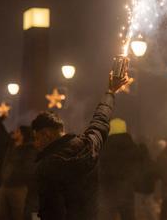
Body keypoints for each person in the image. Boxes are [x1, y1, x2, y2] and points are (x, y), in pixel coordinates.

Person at [32, 71, 129, 220]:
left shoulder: (46, 166)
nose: (35, 143)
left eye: (37, 138)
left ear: (47, 134)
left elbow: (50, 210)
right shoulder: (88, 145)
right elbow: (100, 121)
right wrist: (110, 92)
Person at [99, 118, 141, 220]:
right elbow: (138, 167)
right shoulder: (132, 146)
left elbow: (100, 168)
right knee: (128, 215)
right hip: (127, 189)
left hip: (108, 189)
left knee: (107, 215)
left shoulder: (105, 146)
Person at [0, 126, 37, 220]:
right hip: (5, 185)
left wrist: (15, 177)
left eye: (18, 131)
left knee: (18, 215)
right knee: (2, 215)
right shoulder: (11, 147)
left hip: (18, 187)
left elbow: (28, 168)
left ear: (23, 135)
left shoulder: (28, 149)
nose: (15, 132)